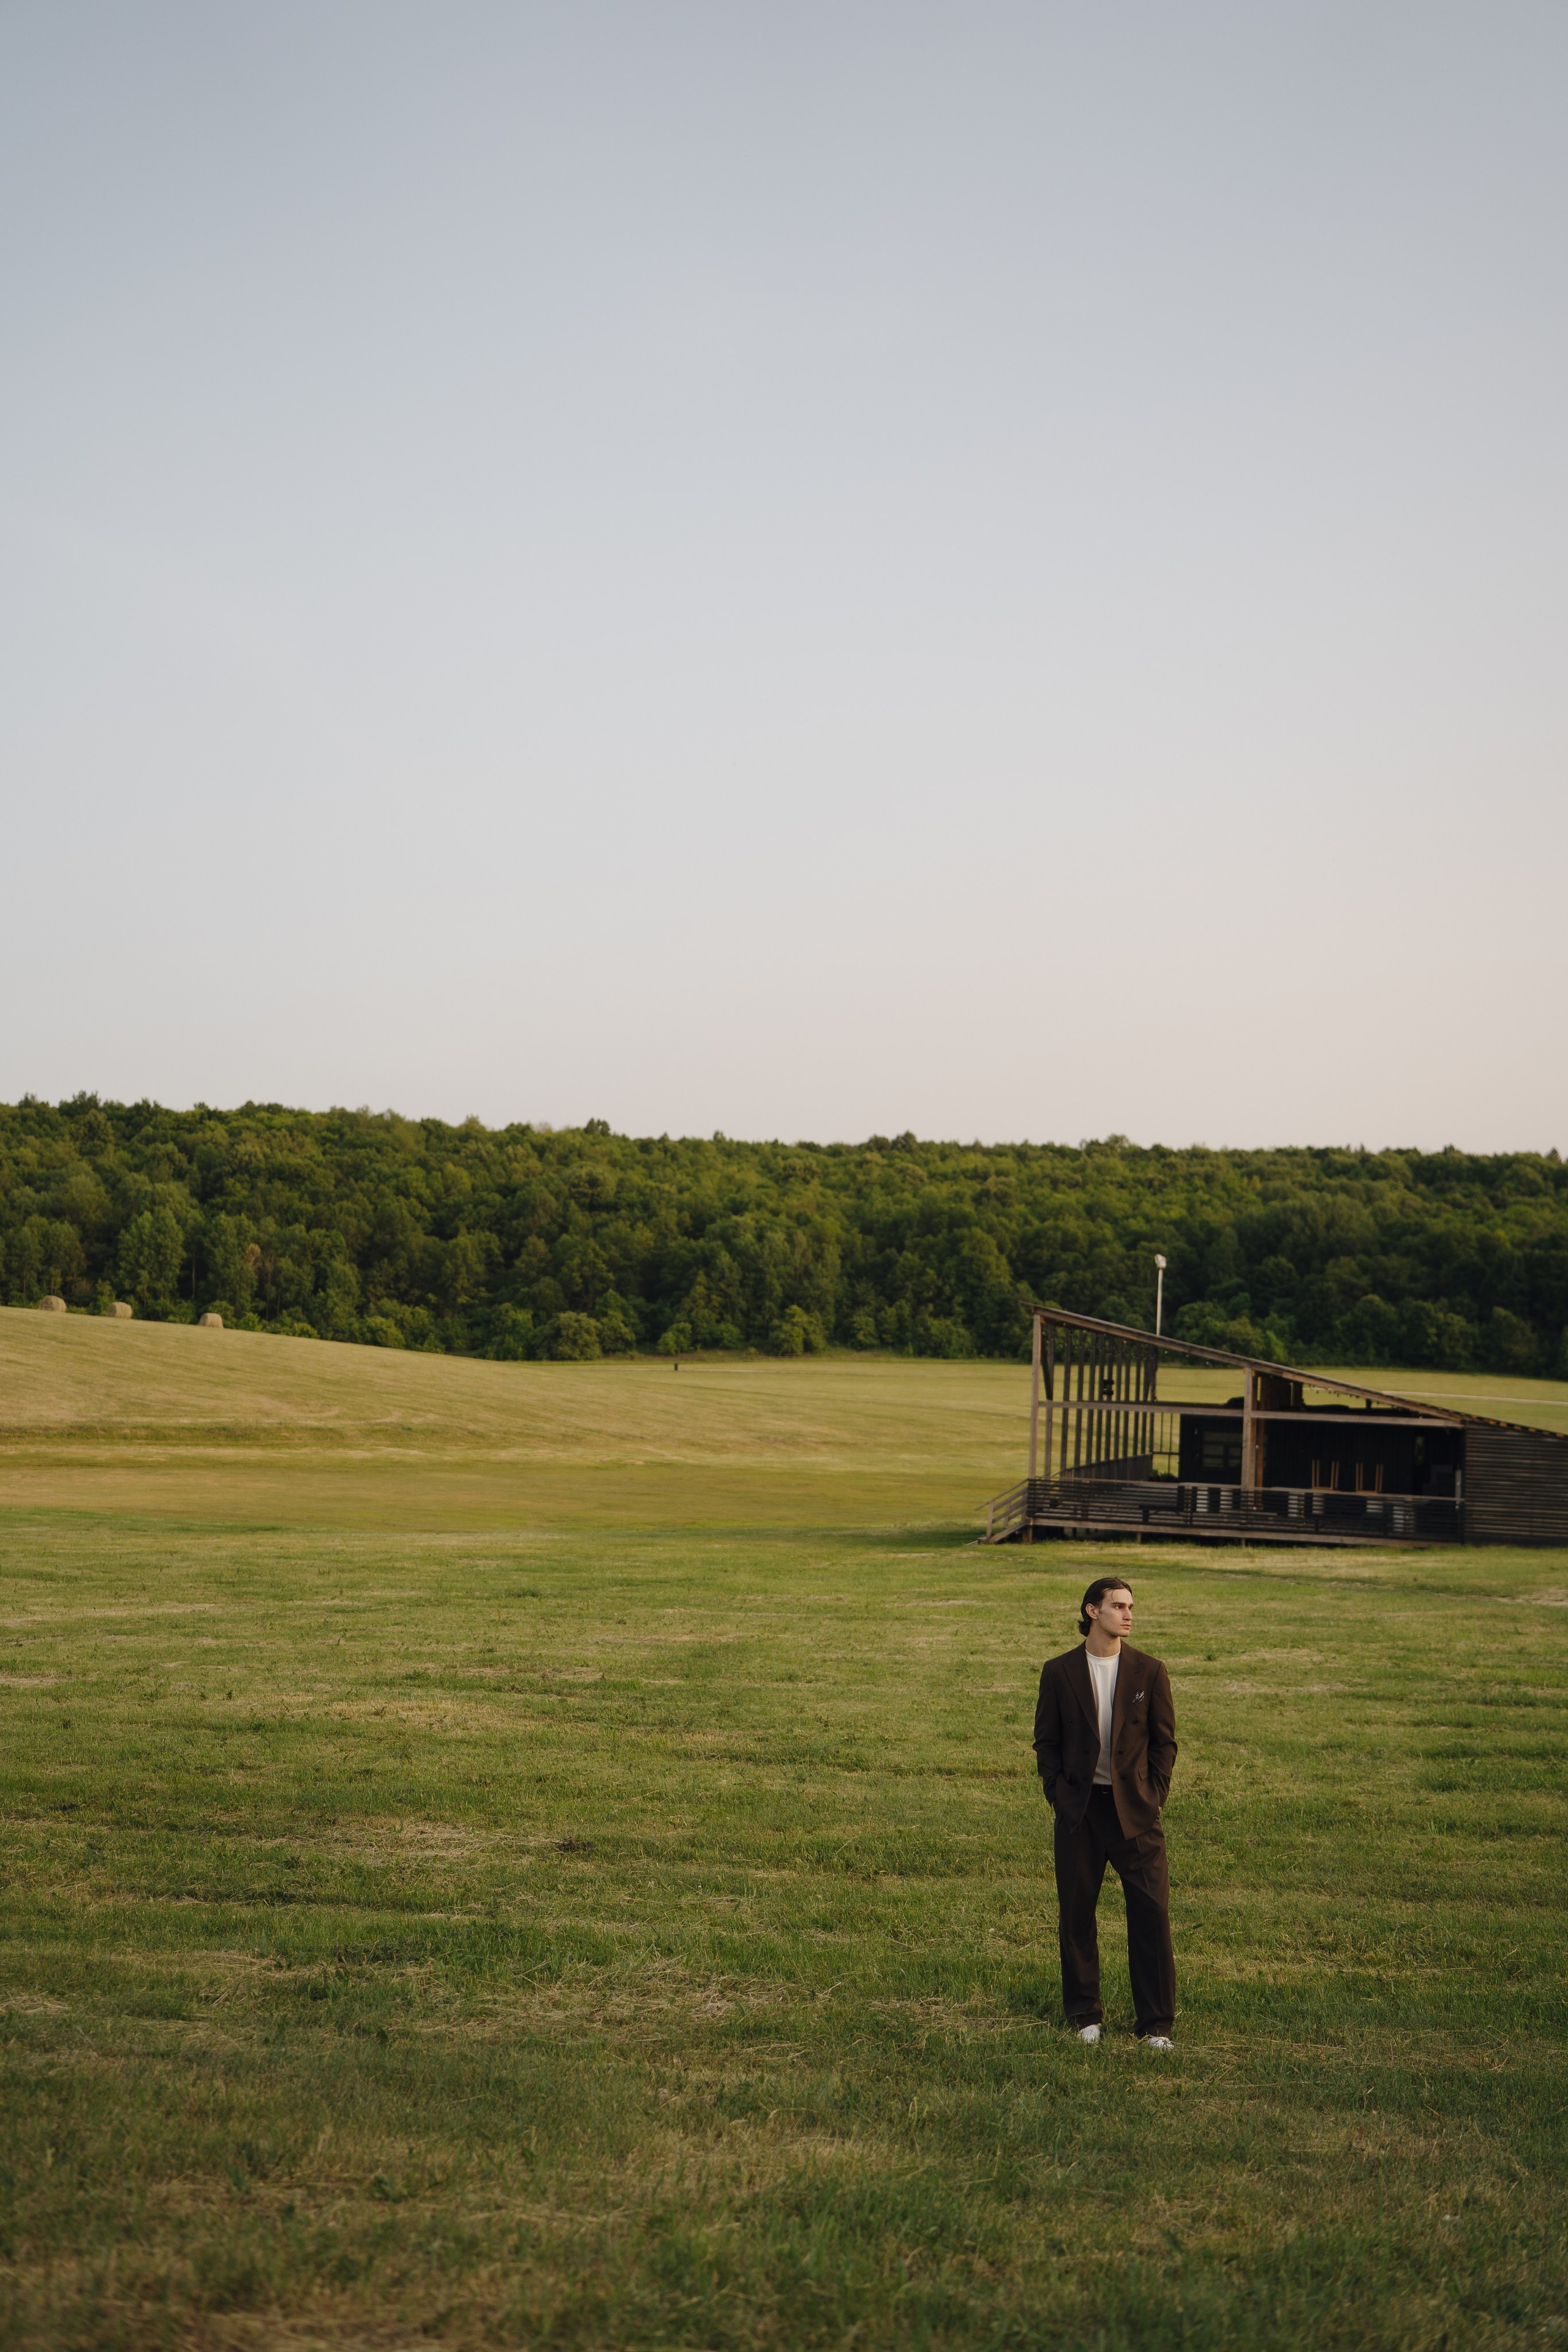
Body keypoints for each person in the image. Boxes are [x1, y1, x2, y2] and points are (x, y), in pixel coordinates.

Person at [1033, 1575, 1178, 2048]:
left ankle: (1155, 2025)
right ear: (1092, 1611)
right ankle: (1085, 2016)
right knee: (1077, 1914)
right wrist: (1058, 1792)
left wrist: (1153, 1794)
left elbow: (1165, 1742)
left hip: (1135, 1812)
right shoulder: (1058, 1672)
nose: (1129, 1614)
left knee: (1151, 1913)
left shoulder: (1150, 1671)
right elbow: (1046, 1742)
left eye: (1131, 1606)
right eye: (1118, 1606)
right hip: (1080, 1812)